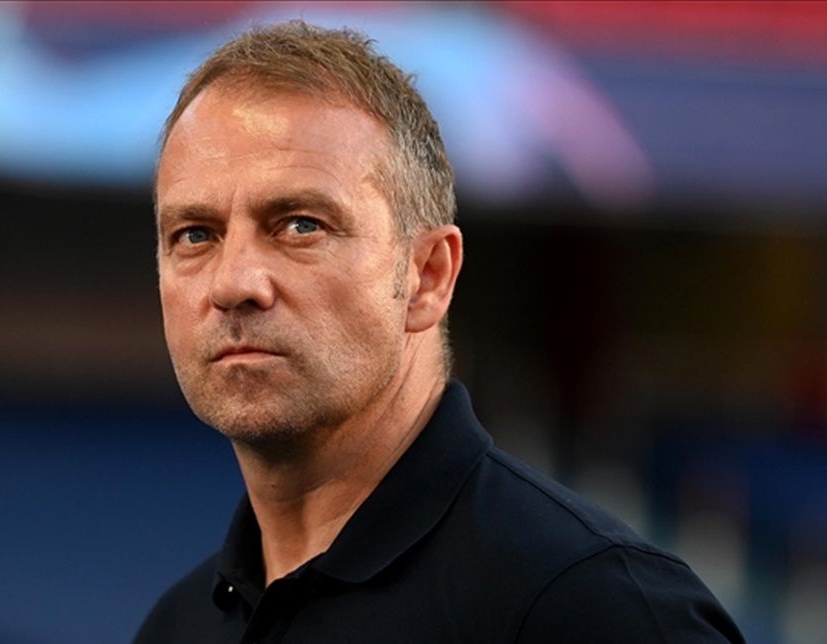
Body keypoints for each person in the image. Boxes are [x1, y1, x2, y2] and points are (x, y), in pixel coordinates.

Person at [135, 20, 743, 644]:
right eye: (195, 235)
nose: (234, 283)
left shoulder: (597, 609)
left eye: (301, 225)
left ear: (428, 277)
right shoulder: (176, 628)